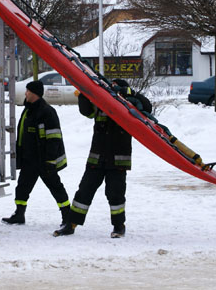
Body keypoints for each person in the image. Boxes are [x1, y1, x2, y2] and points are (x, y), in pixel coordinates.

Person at [53, 79, 152, 238]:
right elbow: (87, 111)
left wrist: (131, 93)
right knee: (84, 192)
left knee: (115, 195)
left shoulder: (130, 106)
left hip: (118, 160)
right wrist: (83, 93)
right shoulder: (102, 103)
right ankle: (71, 224)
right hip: (97, 158)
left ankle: (119, 226)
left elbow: (147, 107)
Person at [2, 80, 71, 227]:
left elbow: (54, 138)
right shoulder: (28, 110)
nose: (26, 93)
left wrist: (50, 160)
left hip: (44, 160)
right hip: (30, 160)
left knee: (56, 187)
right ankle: (19, 214)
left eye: (28, 91)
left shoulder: (47, 112)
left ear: (34, 94)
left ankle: (67, 216)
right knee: (22, 187)